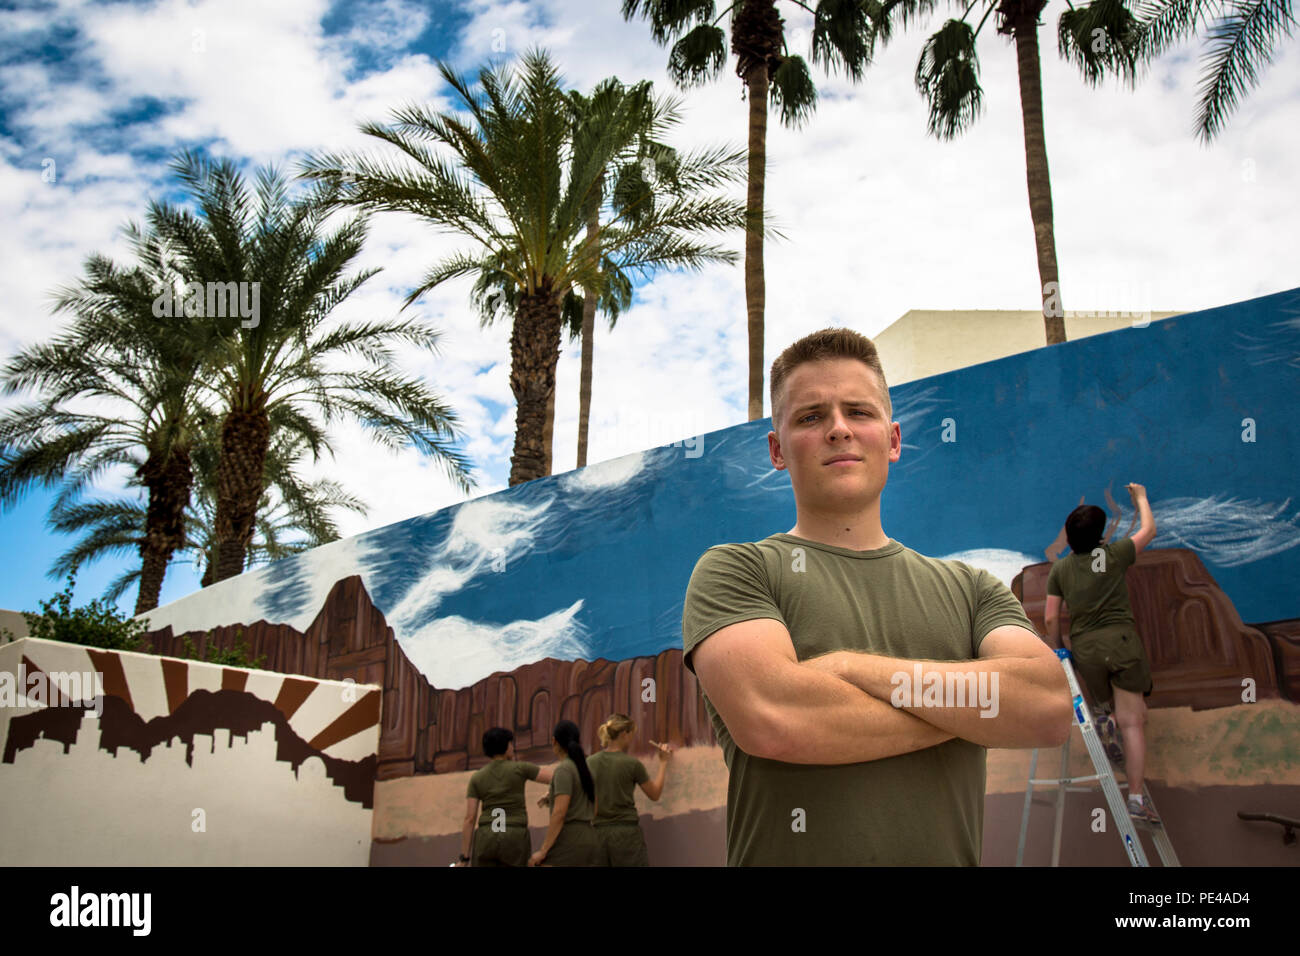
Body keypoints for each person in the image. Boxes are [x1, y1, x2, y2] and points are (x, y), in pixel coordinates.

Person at [681, 327, 1073, 866]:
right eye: (811, 417)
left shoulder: (971, 590)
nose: (838, 429)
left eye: (858, 412)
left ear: (891, 440)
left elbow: (1048, 708)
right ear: (777, 449)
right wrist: (975, 707)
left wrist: (848, 668)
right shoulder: (737, 571)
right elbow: (775, 717)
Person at [1044, 484, 1160, 827]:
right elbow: (1149, 531)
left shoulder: (1060, 570)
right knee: (1133, 721)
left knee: (1118, 709)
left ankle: (1105, 715)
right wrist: (1140, 498)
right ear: (1099, 536)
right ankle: (1136, 799)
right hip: (1121, 645)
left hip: (1086, 650)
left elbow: (1051, 617)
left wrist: (1059, 647)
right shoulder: (1112, 555)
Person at [456, 727, 554, 866]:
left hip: (486, 836)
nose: (512, 747)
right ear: (506, 746)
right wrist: (552, 792)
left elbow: (470, 818)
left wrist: (464, 858)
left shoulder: (477, 778)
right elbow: (557, 778)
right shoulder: (521, 768)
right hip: (514, 835)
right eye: (511, 743)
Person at [586, 714, 674, 866]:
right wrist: (663, 762)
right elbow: (654, 794)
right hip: (626, 835)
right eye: (631, 734)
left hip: (597, 834)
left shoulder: (589, 762)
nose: (632, 739)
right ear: (624, 734)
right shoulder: (632, 764)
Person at [528, 720, 601, 866]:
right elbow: (595, 806)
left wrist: (543, 850)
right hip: (589, 837)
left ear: (554, 741)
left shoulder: (564, 770)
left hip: (568, 839)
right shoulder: (586, 769)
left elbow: (559, 813)